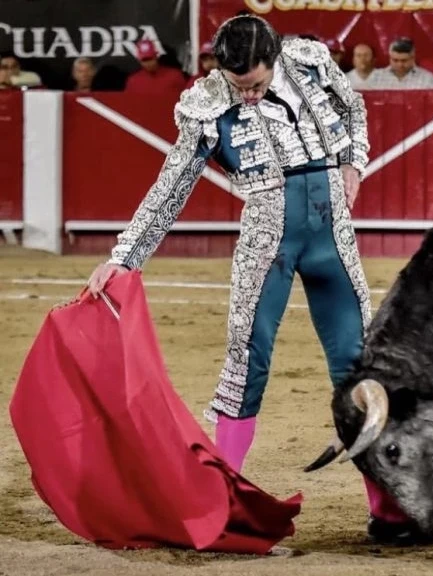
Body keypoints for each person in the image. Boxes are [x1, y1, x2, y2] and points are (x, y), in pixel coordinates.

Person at [84, 14, 416, 543]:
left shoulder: (307, 60)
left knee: (360, 370)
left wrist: (353, 161)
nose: (252, 97)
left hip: (333, 233)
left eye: (258, 84)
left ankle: (390, 510)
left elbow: (352, 107)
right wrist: (126, 256)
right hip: (268, 242)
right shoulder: (207, 104)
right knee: (247, 363)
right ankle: (221, 506)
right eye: (241, 88)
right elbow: (172, 185)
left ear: (275, 58)